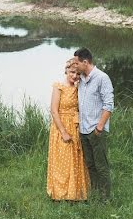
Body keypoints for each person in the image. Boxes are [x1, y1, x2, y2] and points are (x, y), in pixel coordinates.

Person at [74, 47, 114, 200]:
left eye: (77, 63)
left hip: (96, 130)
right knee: (90, 165)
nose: (75, 66)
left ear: (85, 62)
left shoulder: (102, 78)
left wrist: (99, 127)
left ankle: (105, 199)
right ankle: (96, 194)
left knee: (101, 166)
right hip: (83, 131)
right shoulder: (81, 80)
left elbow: (109, 105)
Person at [46, 58, 89, 201]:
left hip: (75, 125)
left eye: (77, 73)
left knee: (75, 159)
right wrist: (63, 132)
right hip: (61, 126)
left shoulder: (78, 88)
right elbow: (53, 110)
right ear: (66, 71)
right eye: (71, 72)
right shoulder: (59, 86)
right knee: (62, 161)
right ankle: (60, 194)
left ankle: (75, 193)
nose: (74, 76)